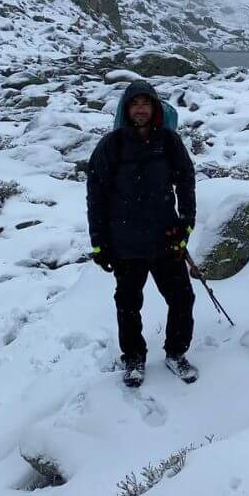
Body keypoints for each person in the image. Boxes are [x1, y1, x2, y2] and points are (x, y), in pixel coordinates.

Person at [86, 80, 199, 387]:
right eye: (134, 104)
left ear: (155, 108)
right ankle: (134, 358)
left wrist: (186, 222)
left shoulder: (169, 141)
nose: (140, 109)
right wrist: (99, 243)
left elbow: (186, 180)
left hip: (165, 238)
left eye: (145, 104)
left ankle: (176, 353)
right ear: (126, 109)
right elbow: (96, 195)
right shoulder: (111, 146)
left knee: (182, 298)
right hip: (125, 242)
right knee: (128, 304)